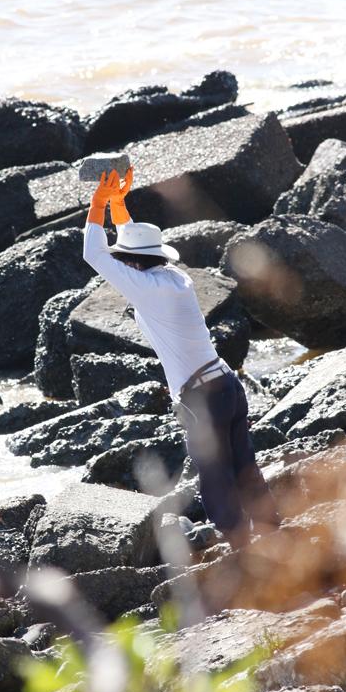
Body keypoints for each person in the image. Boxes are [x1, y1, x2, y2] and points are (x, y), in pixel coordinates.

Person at [83, 168, 280, 549]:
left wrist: (97, 203)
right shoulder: (175, 278)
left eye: (124, 260)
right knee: (244, 466)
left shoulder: (147, 288)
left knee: (215, 476)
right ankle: (274, 532)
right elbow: (135, 242)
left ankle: (241, 548)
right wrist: (118, 206)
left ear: (133, 264)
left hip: (203, 397)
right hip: (227, 384)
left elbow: (93, 252)